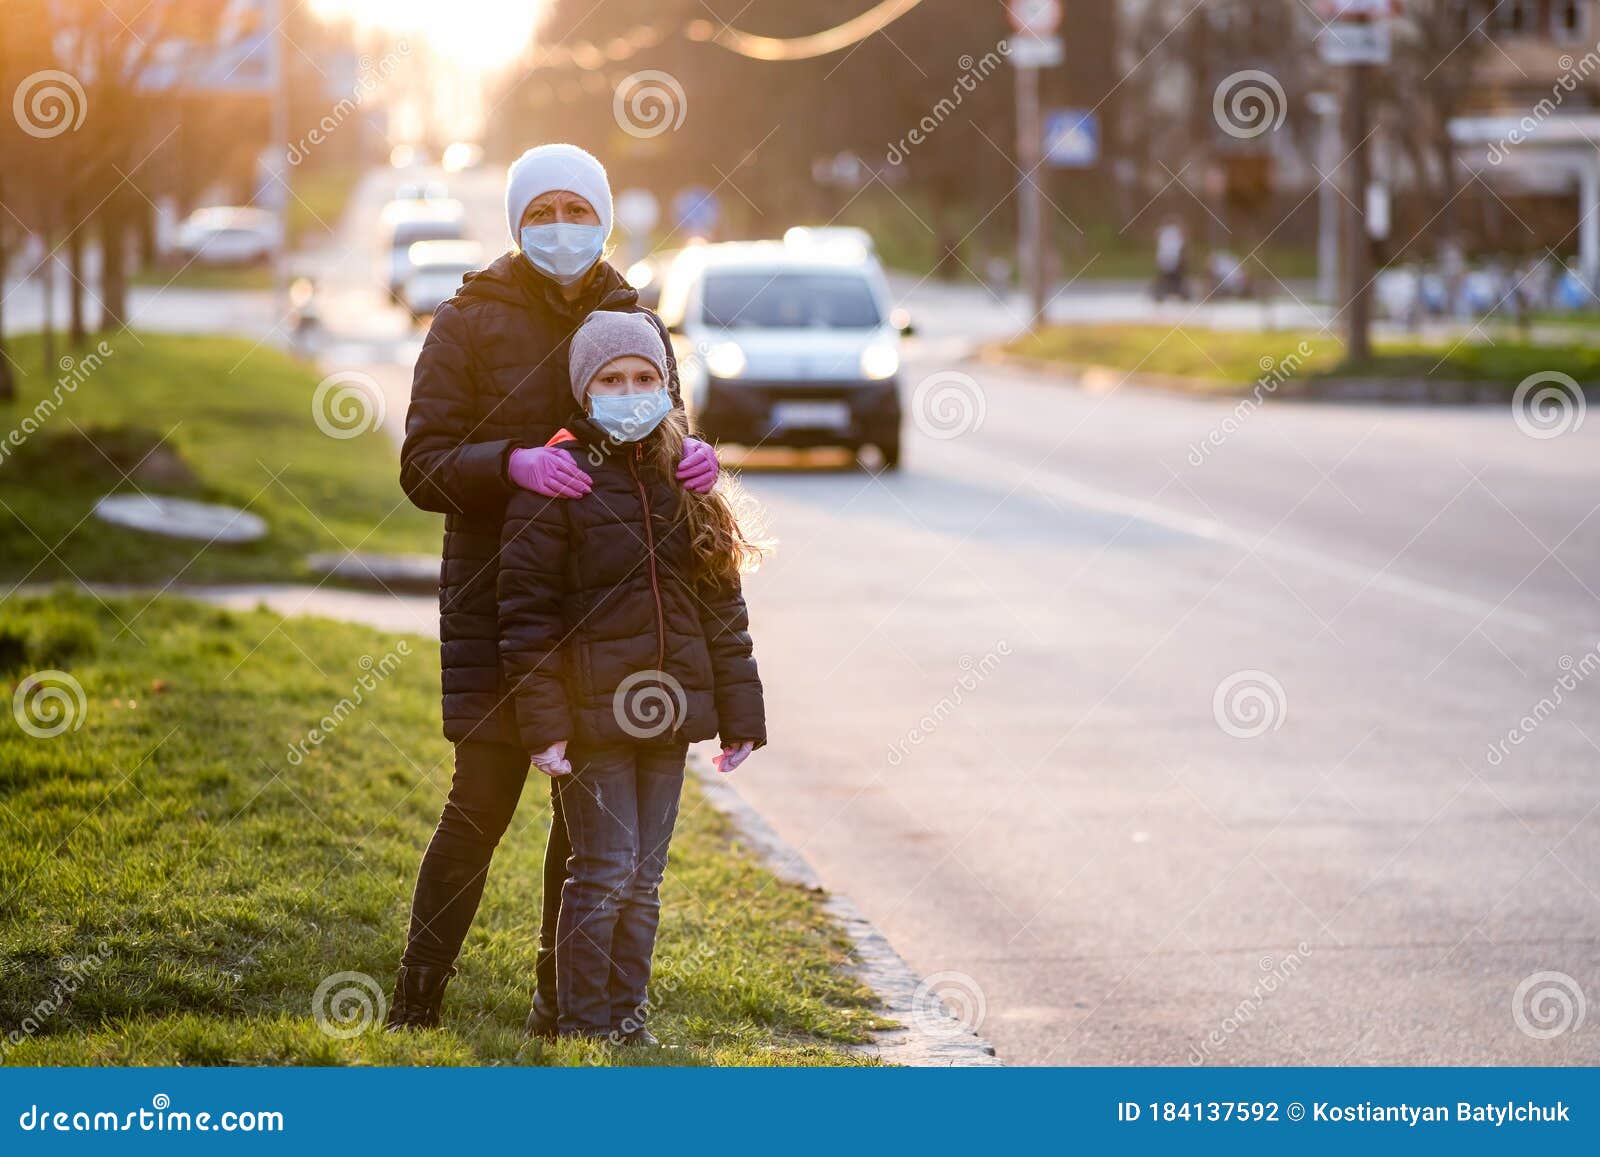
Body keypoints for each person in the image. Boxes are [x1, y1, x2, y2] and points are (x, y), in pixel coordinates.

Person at [388, 143, 720, 1032]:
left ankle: (558, 999)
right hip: (506, 604)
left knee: (587, 823)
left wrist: (691, 459)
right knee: (483, 800)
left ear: (604, 219)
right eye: (543, 213)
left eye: (578, 211)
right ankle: (416, 999)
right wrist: (512, 464)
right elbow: (422, 469)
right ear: (516, 223)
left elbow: (660, 430)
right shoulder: (466, 321)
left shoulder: (630, 312)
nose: (562, 229)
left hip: (609, 613)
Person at [498, 310, 767, 1042]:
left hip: (668, 715)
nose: (629, 391)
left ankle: (627, 1020)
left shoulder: (683, 477)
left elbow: (722, 606)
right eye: (611, 380)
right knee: (605, 869)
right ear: (585, 394)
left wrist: (742, 712)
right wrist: (545, 722)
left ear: (666, 386)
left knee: (644, 879)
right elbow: (527, 620)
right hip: (592, 720)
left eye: (644, 378)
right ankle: (582, 1023)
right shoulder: (561, 480)